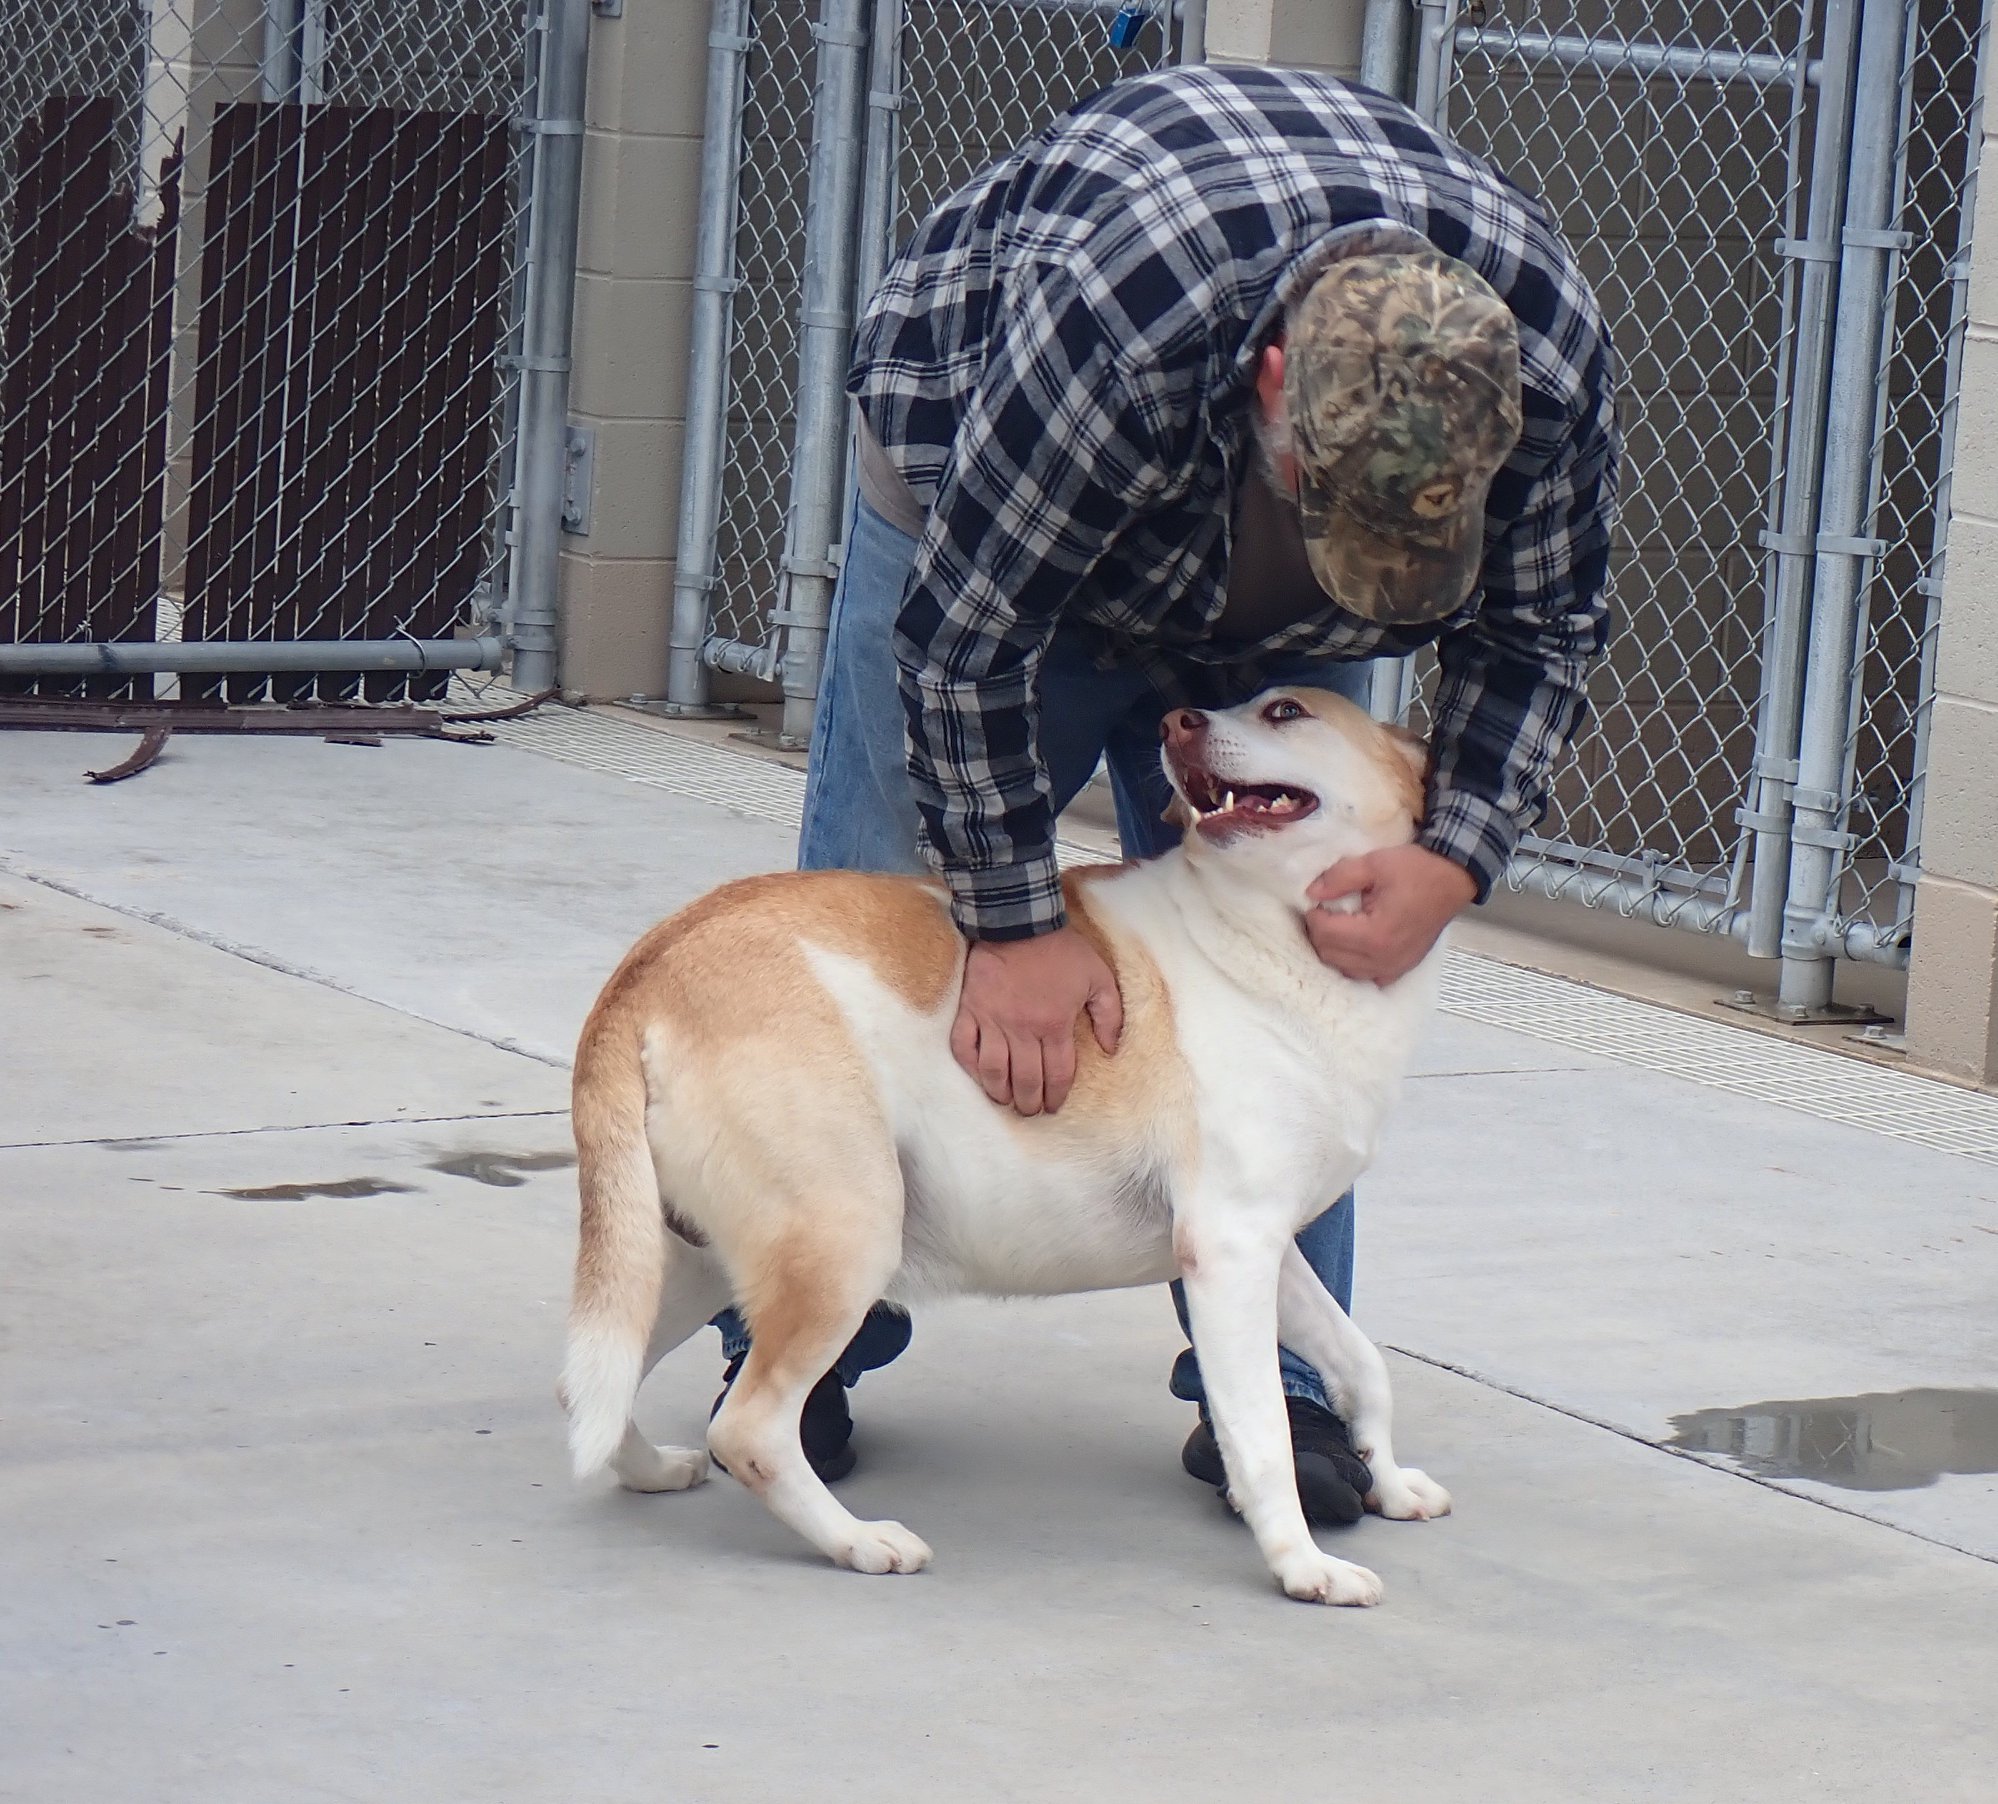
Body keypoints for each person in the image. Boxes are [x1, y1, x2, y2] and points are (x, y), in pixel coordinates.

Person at [711, 62, 1618, 1523]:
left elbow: (1541, 629)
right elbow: (964, 647)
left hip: (1237, 610)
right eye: (1347, 532)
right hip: (987, 512)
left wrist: (1454, 854)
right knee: (875, 901)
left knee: (1299, 967)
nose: (1366, 587)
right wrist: (1011, 928)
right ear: (1275, 391)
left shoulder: (1542, 364)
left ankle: (1286, 1397)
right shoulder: (1121, 329)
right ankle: (804, 1349)